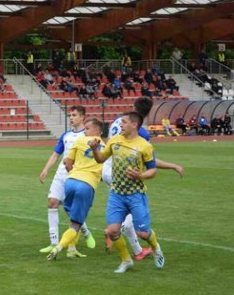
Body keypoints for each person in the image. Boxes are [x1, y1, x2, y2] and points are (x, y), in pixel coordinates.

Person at [101, 97, 184, 261]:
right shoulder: (140, 133)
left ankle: (135, 248)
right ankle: (117, 232)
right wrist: (172, 165)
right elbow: (149, 162)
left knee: (124, 208)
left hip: (107, 170)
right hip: (124, 174)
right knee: (131, 207)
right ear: (147, 113)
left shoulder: (118, 121)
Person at [90, 112, 164, 273]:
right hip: (116, 194)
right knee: (112, 231)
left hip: (136, 194)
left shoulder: (145, 146)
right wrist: (95, 150)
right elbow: (101, 159)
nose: (120, 125)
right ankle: (126, 260)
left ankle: (156, 248)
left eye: (124, 122)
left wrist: (141, 175)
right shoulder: (115, 140)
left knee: (143, 233)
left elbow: (153, 171)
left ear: (134, 125)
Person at [38, 106, 95, 255]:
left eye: (74, 115)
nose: (71, 117)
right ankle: (53, 243)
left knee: (72, 210)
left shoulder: (88, 135)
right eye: (70, 115)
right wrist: (46, 169)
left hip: (77, 175)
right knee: (52, 203)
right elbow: (56, 154)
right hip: (61, 174)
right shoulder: (66, 135)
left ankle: (84, 234)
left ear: (82, 117)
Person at [46, 118, 105, 261]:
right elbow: (105, 166)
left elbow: (67, 162)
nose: (84, 131)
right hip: (87, 184)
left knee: (71, 212)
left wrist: (74, 170)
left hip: (70, 181)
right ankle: (59, 247)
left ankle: (72, 249)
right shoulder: (105, 146)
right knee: (75, 223)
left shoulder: (79, 141)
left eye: (87, 129)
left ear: (97, 130)